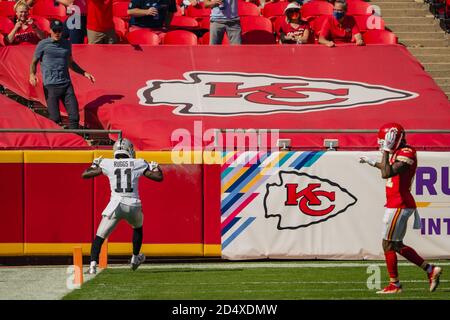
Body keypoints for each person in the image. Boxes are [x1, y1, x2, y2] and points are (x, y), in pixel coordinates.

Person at [359, 123, 442, 294]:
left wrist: (386, 151)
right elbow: (386, 168)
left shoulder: (407, 152)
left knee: (387, 244)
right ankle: (430, 270)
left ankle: (394, 284)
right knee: (395, 244)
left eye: (385, 141)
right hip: (396, 203)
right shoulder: (399, 152)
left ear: (394, 139)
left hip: (399, 203)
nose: (382, 144)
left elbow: (387, 173)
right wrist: (372, 162)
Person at [81, 138, 163, 274]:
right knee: (138, 228)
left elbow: (85, 174)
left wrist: (94, 165)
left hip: (116, 204)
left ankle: (92, 266)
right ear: (129, 150)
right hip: (133, 204)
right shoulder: (139, 162)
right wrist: (156, 167)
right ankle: (135, 258)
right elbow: (158, 177)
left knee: (99, 236)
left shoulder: (107, 163)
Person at [29, 19, 95, 129]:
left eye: (59, 30)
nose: (57, 33)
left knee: (74, 116)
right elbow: (34, 62)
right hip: (50, 86)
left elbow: (70, 63)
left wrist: (84, 73)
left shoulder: (67, 44)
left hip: (66, 85)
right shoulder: (43, 44)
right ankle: (58, 143)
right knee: (54, 118)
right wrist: (32, 74)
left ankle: (74, 141)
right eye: (55, 30)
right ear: (50, 30)